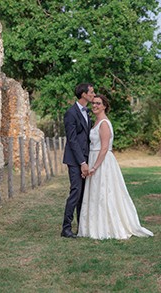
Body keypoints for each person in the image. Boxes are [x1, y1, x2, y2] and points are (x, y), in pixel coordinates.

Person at [77, 94, 153, 240]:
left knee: (106, 193)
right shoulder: (95, 122)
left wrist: (94, 167)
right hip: (93, 158)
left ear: (104, 106)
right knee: (95, 194)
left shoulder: (104, 123)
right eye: (93, 103)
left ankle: (108, 226)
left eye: (98, 103)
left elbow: (104, 148)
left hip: (102, 162)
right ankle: (94, 226)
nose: (95, 106)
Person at [61, 83, 95, 238]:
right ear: (83, 94)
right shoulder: (71, 113)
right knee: (75, 192)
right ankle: (66, 228)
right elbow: (73, 140)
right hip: (75, 160)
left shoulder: (87, 112)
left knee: (83, 195)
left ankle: (81, 226)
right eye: (91, 92)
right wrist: (82, 162)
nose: (93, 95)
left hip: (86, 158)